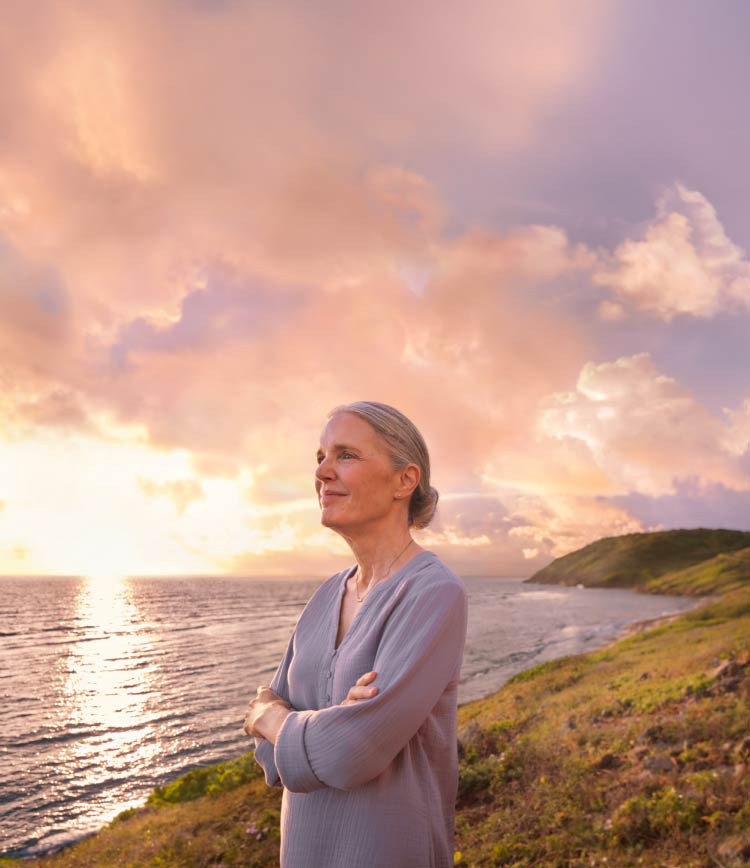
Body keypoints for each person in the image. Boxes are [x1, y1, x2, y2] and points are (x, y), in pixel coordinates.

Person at [243, 401, 468, 868]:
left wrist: (275, 717)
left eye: (345, 455)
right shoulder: (327, 594)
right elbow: (269, 760)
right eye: (320, 457)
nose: (323, 472)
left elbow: (348, 754)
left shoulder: (434, 592)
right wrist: (319, 728)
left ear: (405, 480)